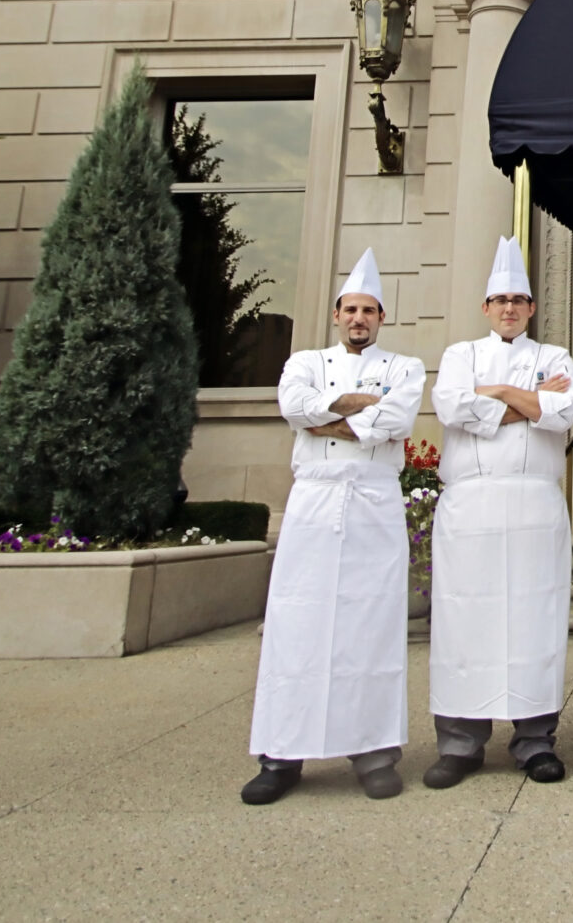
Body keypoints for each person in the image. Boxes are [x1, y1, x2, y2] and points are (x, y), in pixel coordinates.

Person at [244, 247, 425, 805]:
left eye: (369, 311)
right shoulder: (302, 362)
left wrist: (327, 418)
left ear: (381, 318)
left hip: (373, 504)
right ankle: (281, 754)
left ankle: (373, 751)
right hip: (313, 506)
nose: (358, 319)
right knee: (297, 624)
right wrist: (354, 410)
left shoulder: (405, 369)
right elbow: (294, 407)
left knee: (370, 627)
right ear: (336, 314)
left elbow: (396, 418)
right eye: (350, 310)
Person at [425, 237, 573, 788]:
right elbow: (452, 404)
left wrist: (492, 397)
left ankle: (535, 739)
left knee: (533, 622)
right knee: (464, 621)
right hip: (469, 508)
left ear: (533, 308)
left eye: (520, 299)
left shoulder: (555, 358)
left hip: (535, 505)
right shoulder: (458, 356)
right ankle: (461, 743)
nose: (510, 308)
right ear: (486, 308)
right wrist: (524, 397)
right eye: (501, 299)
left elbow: (563, 414)